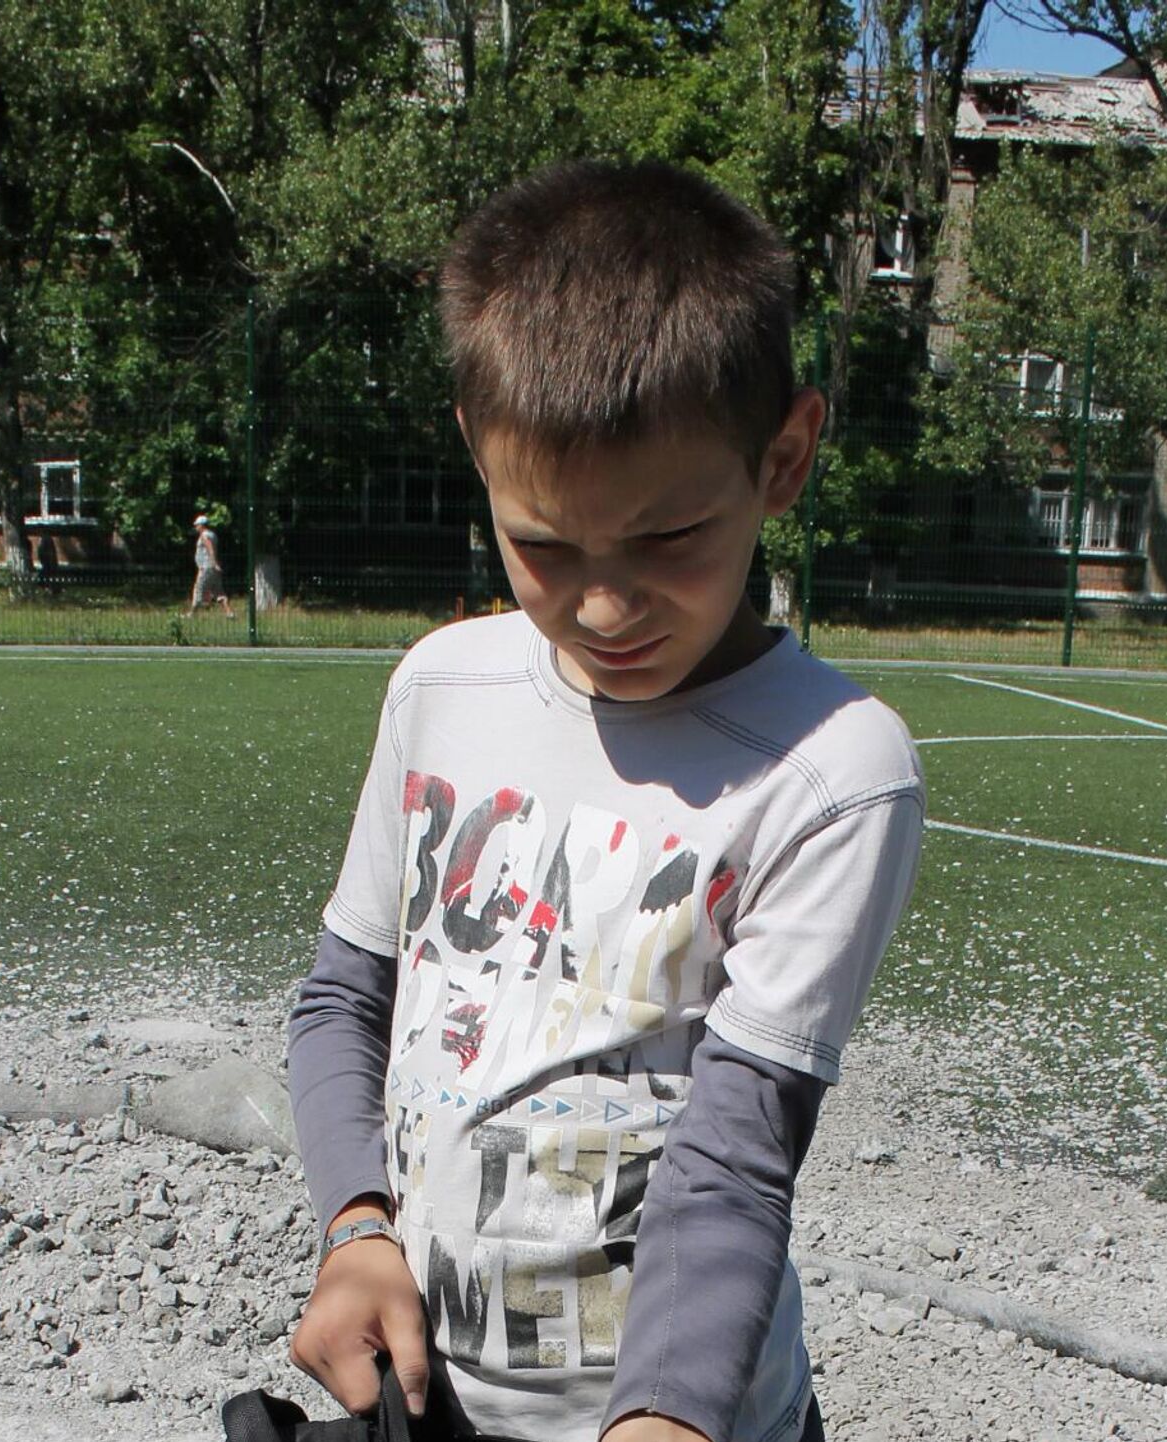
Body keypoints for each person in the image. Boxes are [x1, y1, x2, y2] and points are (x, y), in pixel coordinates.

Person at [286, 160, 925, 1442]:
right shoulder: (441, 688)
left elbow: (737, 1150)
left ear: (784, 456)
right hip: (441, 1403)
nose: (604, 605)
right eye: (543, 544)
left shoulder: (832, 769)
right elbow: (345, 1000)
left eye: (668, 538)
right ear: (477, 450)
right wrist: (357, 1227)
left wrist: (667, 1415)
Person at [185, 513, 235, 618]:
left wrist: (214, 563)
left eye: (197, 525)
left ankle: (192, 614)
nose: (196, 527)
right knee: (218, 591)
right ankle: (229, 613)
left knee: (198, 589)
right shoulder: (213, 535)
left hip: (206, 567)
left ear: (202, 525)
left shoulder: (204, 536)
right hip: (213, 568)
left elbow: (210, 549)